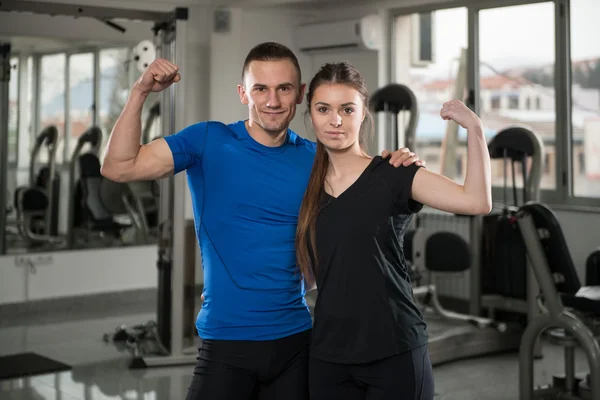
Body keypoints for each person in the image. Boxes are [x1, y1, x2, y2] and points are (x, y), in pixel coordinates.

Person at [101, 42, 425, 400]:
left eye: (284, 88)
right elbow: (119, 166)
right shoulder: (208, 140)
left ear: (300, 94)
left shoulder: (317, 160)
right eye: (261, 89)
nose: (273, 100)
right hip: (227, 342)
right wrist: (140, 92)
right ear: (243, 93)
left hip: (297, 342)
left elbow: (363, 184)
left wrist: (399, 162)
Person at [295, 61, 492, 400]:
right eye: (323, 109)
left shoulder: (394, 173)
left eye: (347, 109)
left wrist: (474, 128)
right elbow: (309, 272)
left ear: (363, 114)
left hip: (394, 349)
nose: (335, 120)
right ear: (310, 113)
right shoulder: (303, 184)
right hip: (329, 353)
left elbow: (476, 201)